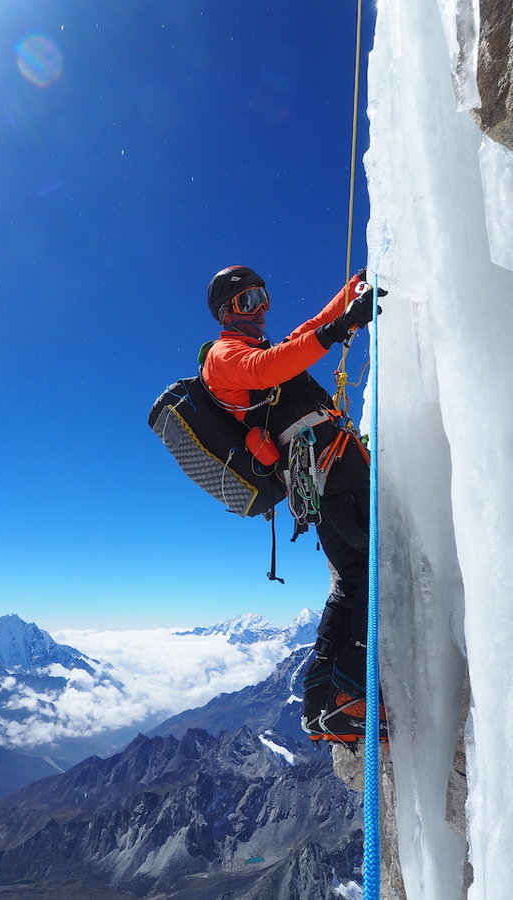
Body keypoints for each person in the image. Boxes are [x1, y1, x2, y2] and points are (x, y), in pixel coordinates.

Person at [200, 264, 387, 742]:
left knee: (351, 577)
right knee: (369, 568)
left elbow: (302, 336)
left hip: (321, 470)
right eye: (247, 302)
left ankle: (323, 702)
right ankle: (350, 697)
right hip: (327, 466)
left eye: (263, 296)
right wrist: (341, 326)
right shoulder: (225, 355)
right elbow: (269, 367)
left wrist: (350, 293)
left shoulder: (259, 351)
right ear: (226, 313)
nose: (260, 309)